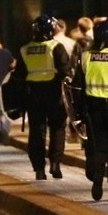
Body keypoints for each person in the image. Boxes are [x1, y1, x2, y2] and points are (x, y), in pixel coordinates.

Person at [71, 17, 108, 201]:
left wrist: (78, 113)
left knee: (97, 147)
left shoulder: (87, 56)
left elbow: (78, 87)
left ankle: (97, 180)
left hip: (94, 109)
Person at [18, 15, 70, 180]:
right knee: (57, 129)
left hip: (33, 95)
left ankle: (39, 169)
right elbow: (65, 71)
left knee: (36, 132)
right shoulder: (56, 47)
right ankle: (55, 164)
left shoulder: (25, 49)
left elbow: (19, 74)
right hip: (55, 94)